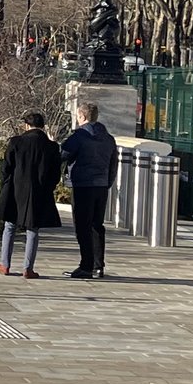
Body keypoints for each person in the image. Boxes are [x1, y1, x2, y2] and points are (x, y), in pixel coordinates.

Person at [0, 111, 62, 278]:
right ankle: (28, 268)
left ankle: (5, 264)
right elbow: (56, 173)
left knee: (10, 226)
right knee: (33, 229)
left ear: (26, 125)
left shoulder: (16, 142)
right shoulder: (52, 147)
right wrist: (48, 188)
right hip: (39, 191)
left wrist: (5, 184)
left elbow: (6, 167)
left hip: (15, 189)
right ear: (43, 126)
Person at [61, 100, 119, 280]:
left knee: (82, 226)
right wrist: (107, 182)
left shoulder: (79, 137)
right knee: (96, 225)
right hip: (101, 186)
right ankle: (98, 265)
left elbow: (63, 155)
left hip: (83, 185)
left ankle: (85, 265)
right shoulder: (108, 138)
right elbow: (113, 163)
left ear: (82, 116)